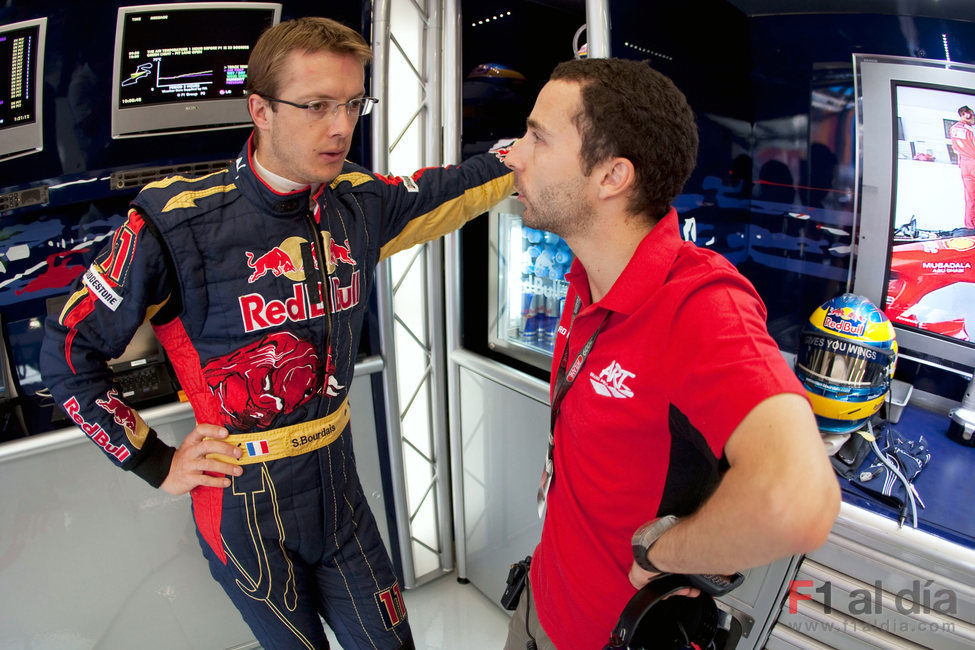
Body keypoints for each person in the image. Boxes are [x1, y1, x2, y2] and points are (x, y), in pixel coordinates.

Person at [40, 17, 512, 650]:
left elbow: (448, 187)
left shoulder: (357, 201)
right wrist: (156, 461)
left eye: (352, 103)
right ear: (259, 109)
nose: (342, 126)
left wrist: (531, 153)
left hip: (341, 491)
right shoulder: (174, 221)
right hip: (242, 504)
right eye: (316, 105)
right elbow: (69, 352)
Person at [501, 58, 840, 649]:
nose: (514, 153)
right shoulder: (587, 278)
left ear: (612, 176)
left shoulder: (700, 306)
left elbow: (798, 500)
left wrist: (660, 552)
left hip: (607, 635)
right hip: (541, 600)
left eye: (538, 137)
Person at [949, 105, 975, 229]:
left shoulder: (953, 129)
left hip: (964, 165)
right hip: (973, 162)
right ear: (965, 114)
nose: (974, 118)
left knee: (970, 198)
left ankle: (970, 226)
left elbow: (955, 149)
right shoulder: (969, 130)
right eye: (972, 114)